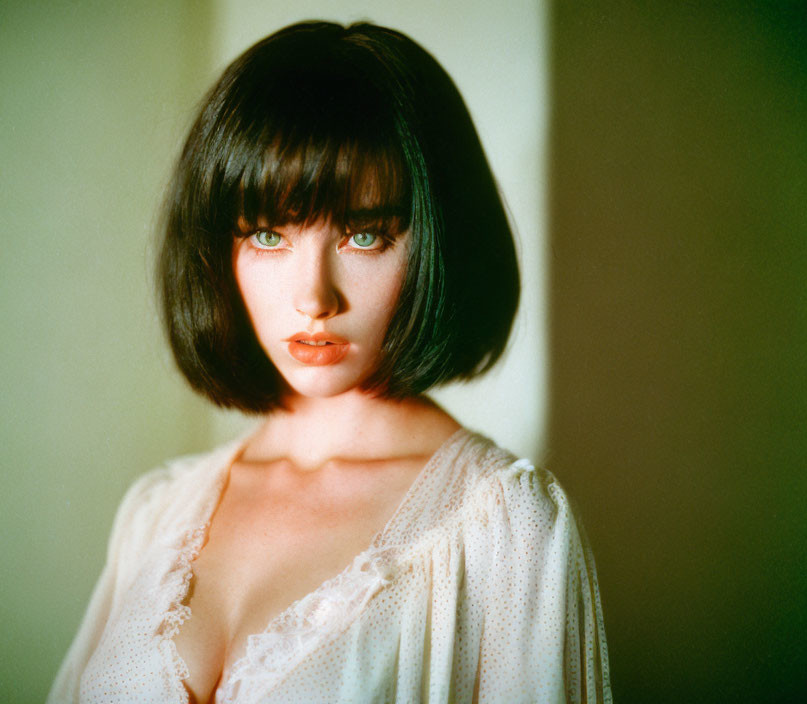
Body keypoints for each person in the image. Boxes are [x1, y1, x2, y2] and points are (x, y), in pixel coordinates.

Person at [48, 21, 610, 704]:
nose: (315, 297)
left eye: (365, 234)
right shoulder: (156, 512)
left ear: (437, 240)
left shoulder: (506, 530)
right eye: (267, 234)